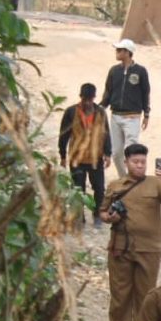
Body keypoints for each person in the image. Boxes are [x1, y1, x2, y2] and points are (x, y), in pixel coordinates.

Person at [100, 143, 161, 321]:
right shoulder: (116, 185)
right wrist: (111, 217)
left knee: (146, 296)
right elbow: (103, 212)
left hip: (149, 249)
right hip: (120, 248)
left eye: (143, 162)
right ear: (126, 162)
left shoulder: (156, 184)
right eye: (135, 162)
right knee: (120, 294)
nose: (140, 166)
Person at [58, 83, 111, 227]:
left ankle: (97, 215)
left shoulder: (101, 112)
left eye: (90, 99)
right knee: (78, 189)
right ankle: (79, 217)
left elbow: (106, 134)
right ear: (80, 97)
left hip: (95, 157)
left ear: (94, 98)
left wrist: (108, 153)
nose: (87, 102)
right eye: (85, 99)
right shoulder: (71, 112)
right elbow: (64, 135)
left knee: (99, 188)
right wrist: (62, 155)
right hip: (77, 158)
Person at [100, 39, 151, 177]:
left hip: (132, 117)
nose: (116, 52)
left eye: (119, 50)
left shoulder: (140, 71)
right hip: (116, 116)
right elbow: (108, 92)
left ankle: (133, 178)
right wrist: (100, 107)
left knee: (131, 150)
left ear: (128, 53)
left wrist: (146, 113)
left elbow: (145, 92)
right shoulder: (114, 71)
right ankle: (124, 178)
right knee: (116, 153)